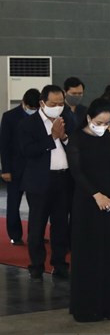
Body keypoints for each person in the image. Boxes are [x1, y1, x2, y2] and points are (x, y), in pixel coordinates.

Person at [67, 98, 110, 322]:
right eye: (99, 122)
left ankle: (108, 305)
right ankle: (85, 308)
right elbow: (77, 171)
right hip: (87, 202)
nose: (103, 126)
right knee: (87, 255)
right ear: (90, 118)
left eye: (107, 122)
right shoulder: (77, 138)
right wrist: (96, 195)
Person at [19, 84, 76, 280]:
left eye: (61, 103)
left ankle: (59, 263)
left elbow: (77, 146)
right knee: (37, 225)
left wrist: (65, 137)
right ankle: (36, 264)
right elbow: (27, 150)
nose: (59, 106)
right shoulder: (28, 123)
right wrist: (52, 138)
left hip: (64, 179)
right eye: (54, 103)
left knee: (61, 224)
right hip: (40, 182)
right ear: (43, 103)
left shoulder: (67, 118)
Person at [0, 88, 39, 246]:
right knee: (13, 203)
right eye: (30, 108)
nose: (33, 111)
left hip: (34, 168)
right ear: (24, 103)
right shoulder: (9, 117)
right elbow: (4, 145)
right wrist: (6, 169)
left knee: (37, 205)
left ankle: (34, 234)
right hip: (15, 168)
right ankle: (15, 235)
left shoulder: (41, 116)